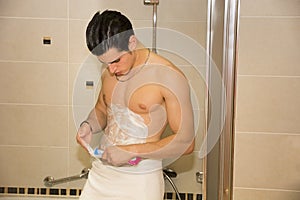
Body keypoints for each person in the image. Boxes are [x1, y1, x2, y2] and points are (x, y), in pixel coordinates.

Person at [76, 10, 195, 200]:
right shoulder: (109, 68)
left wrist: (131, 151)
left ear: (132, 42)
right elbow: (101, 109)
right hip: (101, 175)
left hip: (140, 181)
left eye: (116, 61)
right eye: (105, 63)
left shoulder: (168, 76)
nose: (112, 69)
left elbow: (186, 142)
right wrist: (88, 125)